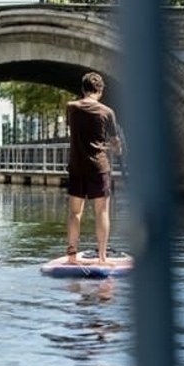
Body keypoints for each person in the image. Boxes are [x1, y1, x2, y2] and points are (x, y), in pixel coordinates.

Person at [65, 71, 121, 264]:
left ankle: (71, 256)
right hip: (99, 167)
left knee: (74, 213)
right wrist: (117, 148)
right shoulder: (107, 112)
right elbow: (114, 142)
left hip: (77, 166)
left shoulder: (71, 108)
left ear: (83, 89)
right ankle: (103, 257)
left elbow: (74, 130)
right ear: (101, 90)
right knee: (102, 213)